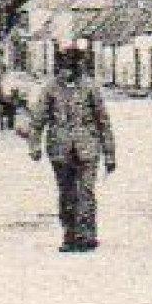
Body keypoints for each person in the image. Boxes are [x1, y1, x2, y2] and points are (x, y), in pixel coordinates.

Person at [28, 48, 116, 253]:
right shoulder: (50, 89)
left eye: (71, 67)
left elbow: (103, 122)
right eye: (63, 67)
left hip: (88, 149)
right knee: (66, 193)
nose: (66, 72)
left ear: (78, 67)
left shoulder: (90, 88)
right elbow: (38, 119)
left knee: (86, 191)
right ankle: (69, 235)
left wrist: (110, 154)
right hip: (59, 150)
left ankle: (86, 235)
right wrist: (34, 145)